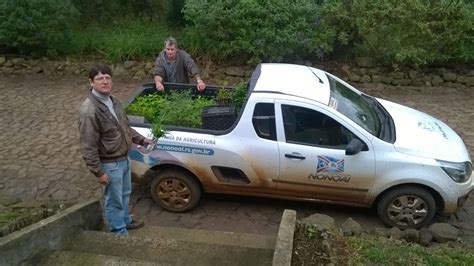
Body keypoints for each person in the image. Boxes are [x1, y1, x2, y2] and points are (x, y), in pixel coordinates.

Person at [79, 64, 152, 236]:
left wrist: (141, 139)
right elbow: (87, 146)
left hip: (124, 159)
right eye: (99, 78)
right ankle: (119, 232)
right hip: (110, 164)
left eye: (107, 78)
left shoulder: (114, 101)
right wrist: (99, 172)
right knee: (113, 201)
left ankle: (125, 220)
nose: (105, 81)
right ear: (91, 82)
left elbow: (124, 127)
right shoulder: (89, 110)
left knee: (125, 193)